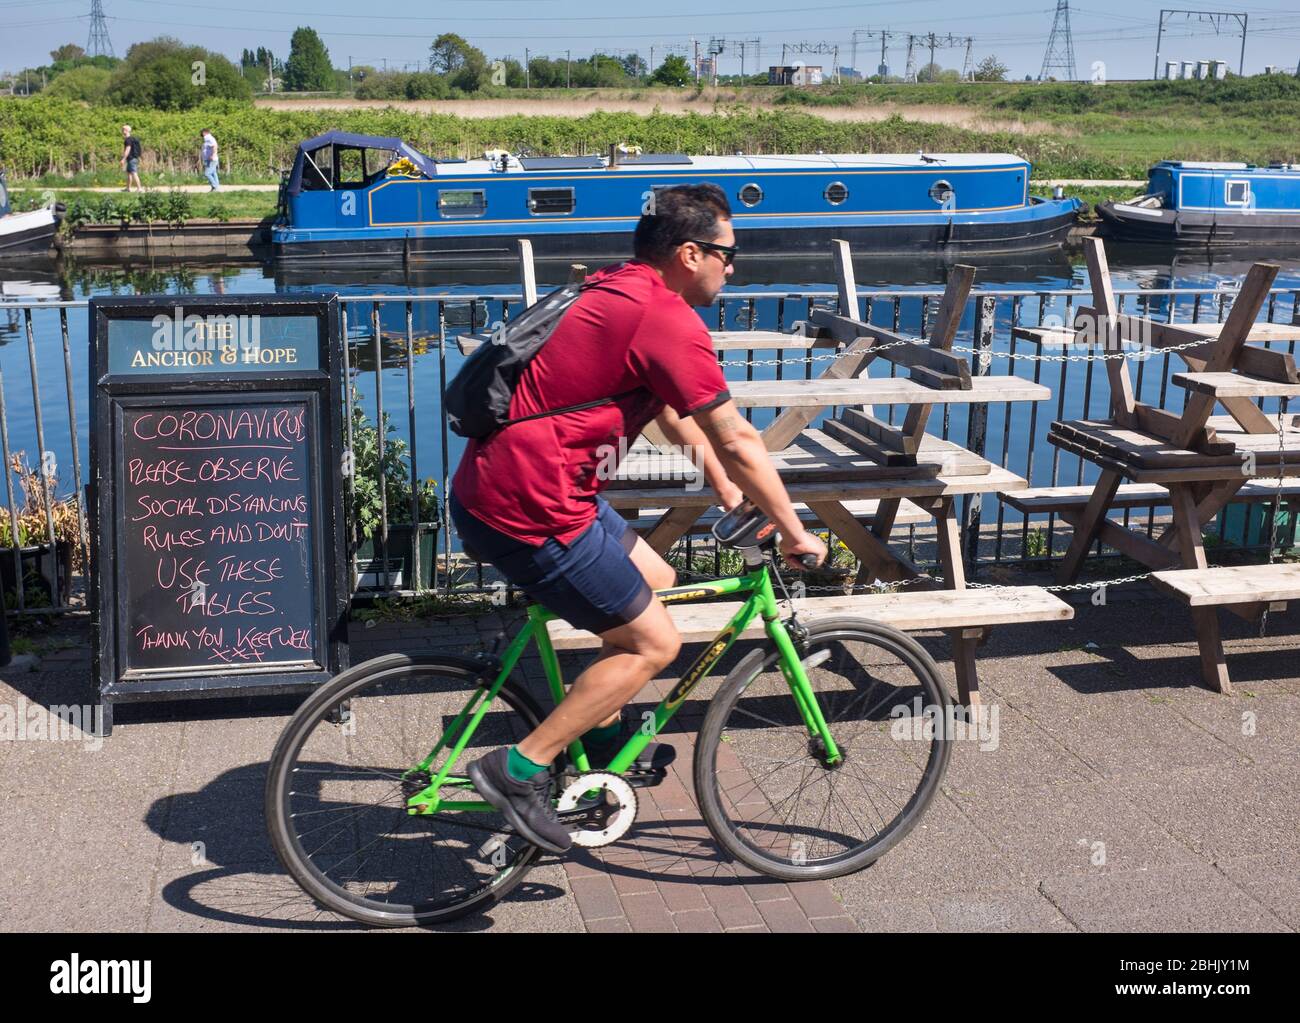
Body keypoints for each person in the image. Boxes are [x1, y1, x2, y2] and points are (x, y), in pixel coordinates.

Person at [454, 183, 827, 854]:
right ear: (689, 253)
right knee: (655, 644)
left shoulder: (616, 288)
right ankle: (517, 769)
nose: (732, 267)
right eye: (726, 253)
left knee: (655, 573)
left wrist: (725, 489)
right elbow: (741, 437)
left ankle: (596, 735)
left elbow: (664, 408)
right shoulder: (665, 317)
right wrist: (796, 530)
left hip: (527, 484)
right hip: (529, 505)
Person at [120, 125, 142, 193]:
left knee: (134, 173)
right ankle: (128, 188)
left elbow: (128, 149)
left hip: (131, 159)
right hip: (133, 158)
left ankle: (139, 188)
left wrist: (123, 159)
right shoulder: (133, 138)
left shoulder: (128, 140)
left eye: (123, 129)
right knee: (129, 173)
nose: (122, 131)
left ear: (126, 131)